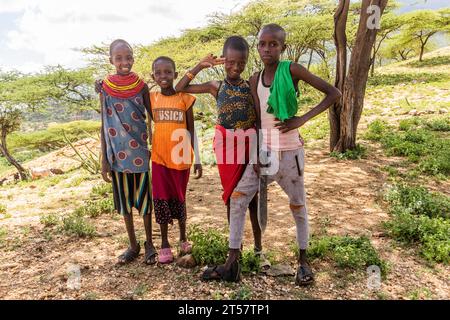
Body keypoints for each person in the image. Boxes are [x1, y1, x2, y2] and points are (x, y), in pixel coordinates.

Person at [202, 24, 342, 285]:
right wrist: (256, 153)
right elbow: (257, 122)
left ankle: (303, 262)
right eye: (263, 44)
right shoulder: (254, 79)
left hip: (291, 153)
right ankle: (233, 262)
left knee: (298, 207)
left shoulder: (292, 70)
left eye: (273, 44)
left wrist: (301, 120)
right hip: (264, 154)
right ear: (258, 47)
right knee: (238, 199)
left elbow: (333, 93)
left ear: (282, 47)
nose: (267, 48)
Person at [175, 36, 268, 267]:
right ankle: (235, 248)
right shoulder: (216, 86)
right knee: (231, 198)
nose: (236, 68)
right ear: (223, 60)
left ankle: (258, 249)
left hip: (249, 146)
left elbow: (259, 119)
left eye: (241, 63)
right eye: (230, 63)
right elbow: (180, 88)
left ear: (247, 62)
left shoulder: (251, 86)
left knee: (254, 200)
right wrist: (200, 65)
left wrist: (259, 150)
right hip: (226, 148)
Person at [99, 39, 157, 265]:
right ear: (111, 60)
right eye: (119, 58)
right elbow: (103, 123)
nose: (125, 62)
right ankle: (133, 244)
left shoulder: (142, 86)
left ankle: (149, 243)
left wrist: (156, 145)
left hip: (139, 152)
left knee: (144, 200)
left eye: (129, 57)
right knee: (124, 203)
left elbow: (152, 117)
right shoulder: (104, 88)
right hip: (117, 154)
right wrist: (104, 159)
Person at [150, 56, 203, 264]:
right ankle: (164, 242)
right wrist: (101, 86)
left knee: (180, 198)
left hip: (181, 157)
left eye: (168, 72)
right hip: (159, 157)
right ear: (153, 76)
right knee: (161, 198)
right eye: (159, 73)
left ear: (175, 75)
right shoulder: (151, 97)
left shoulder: (185, 98)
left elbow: (191, 129)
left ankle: (182, 237)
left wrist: (197, 157)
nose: (163, 76)